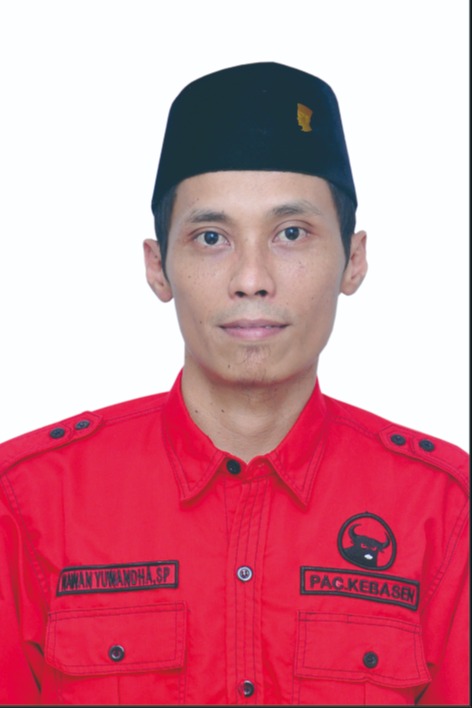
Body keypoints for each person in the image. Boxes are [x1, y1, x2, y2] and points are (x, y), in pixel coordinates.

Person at [0, 62, 468, 706]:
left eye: (291, 234)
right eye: (211, 237)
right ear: (158, 267)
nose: (251, 278)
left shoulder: (442, 510)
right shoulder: (29, 501)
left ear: (353, 260)